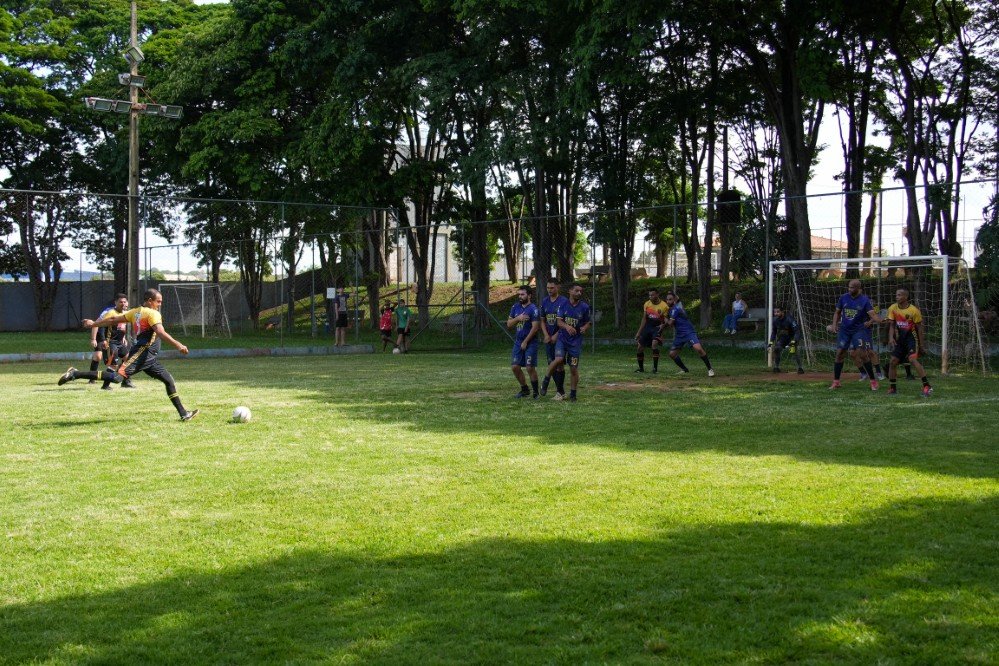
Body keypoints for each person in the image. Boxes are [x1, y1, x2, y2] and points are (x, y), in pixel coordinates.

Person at [57, 288, 199, 421]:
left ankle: (183, 414)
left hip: (149, 358)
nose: (160, 304)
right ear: (150, 301)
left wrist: (94, 324)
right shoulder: (153, 313)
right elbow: (160, 332)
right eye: (158, 301)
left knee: (168, 380)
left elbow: (113, 320)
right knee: (117, 378)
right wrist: (179, 345)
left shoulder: (135, 312)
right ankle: (75, 374)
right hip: (142, 353)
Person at [828, 279, 882, 390]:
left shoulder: (865, 300)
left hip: (859, 330)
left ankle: (873, 381)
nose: (850, 289)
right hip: (844, 330)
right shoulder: (843, 297)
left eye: (852, 287)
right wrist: (834, 325)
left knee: (862, 354)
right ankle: (836, 382)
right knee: (840, 354)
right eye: (849, 287)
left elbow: (873, 314)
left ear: (858, 288)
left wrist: (881, 320)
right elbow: (837, 312)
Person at [546, 283, 591, 401]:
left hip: (575, 342)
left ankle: (573, 394)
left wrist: (584, 327)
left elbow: (588, 322)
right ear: (570, 291)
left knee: (573, 369)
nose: (579, 293)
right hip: (562, 339)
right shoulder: (563, 305)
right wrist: (567, 327)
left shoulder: (584, 307)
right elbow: (559, 322)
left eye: (580, 291)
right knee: (558, 360)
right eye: (576, 291)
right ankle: (546, 380)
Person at [886, 288, 933, 396]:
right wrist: (891, 338)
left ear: (906, 297)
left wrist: (921, 345)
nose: (897, 297)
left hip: (912, 339)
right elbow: (892, 324)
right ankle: (893, 388)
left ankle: (927, 386)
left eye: (899, 295)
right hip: (900, 340)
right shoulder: (892, 308)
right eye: (896, 295)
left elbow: (920, 329)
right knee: (893, 361)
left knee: (912, 359)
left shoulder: (914, 310)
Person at [664, 291, 715, 377]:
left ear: (674, 300)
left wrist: (664, 317)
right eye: (667, 299)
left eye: (670, 299)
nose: (668, 301)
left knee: (698, 349)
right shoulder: (673, 308)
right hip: (679, 334)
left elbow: (670, 324)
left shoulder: (676, 309)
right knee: (672, 354)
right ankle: (684, 369)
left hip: (688, 332)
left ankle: (710, 369)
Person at [94, 293, 135, 390]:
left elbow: (121, 328)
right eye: (120, 302)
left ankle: (126, 382)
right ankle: (105, 386)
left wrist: (123, 337)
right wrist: (103, 340)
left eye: (124, 302)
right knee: (113, 365)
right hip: (111, 342)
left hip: (119, 343)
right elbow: (100, 326)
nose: (123, 304)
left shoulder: (126, 313)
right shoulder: (111, 312)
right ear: (115, 302)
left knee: (128, 360)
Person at [506, 285, 541, 398]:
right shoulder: (515, 307)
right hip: (518, 341)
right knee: (515, 367)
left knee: (530, 367)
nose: (520, 296)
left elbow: (535, 328)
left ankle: (535, 392)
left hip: (530, 342)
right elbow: (509, 324)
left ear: (529, 295)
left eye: (522, 294)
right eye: (519, 294)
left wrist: (526, 341)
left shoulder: (533, 309)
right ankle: (524, 389)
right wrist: (518, 318)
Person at [538, 279, 568, 397]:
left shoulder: (564, 302)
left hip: (561, 337)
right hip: (548, 338)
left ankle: (548, 384)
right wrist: (546, 335)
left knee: (559, 363)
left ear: (558, 287)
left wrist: (557, 335)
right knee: (552, 363)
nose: (549, 290)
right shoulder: (545, 301)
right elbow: (542, 320)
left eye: (552, 288)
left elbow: (566, 322)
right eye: (548, 288)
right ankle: (560, 392)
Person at [634, 287, 669, 373]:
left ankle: (655, 369)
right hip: (647, 327)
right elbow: (644, 319)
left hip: (657, 328)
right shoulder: (647, 304)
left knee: (654, 344)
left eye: (652, 295)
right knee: (639, 348)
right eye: (649, 295)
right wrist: (638, 332)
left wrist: (664, 325)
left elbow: (666, 320)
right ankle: (641, 369)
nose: (650, 297)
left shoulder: (664, 306)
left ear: (657, 294)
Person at [769, 306, 804, 374]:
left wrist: (794, 340)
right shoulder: (775, 320)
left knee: (794, 351)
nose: (776, 313)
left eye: (778, 312)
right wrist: (771, 342)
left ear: (782, 312)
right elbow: (774, 332)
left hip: (792, 338)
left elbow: (797, 331)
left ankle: (800, 368)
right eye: (775, 312)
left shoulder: (790, 319)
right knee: (777, 349)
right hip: (783, 338)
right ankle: (776, 367)